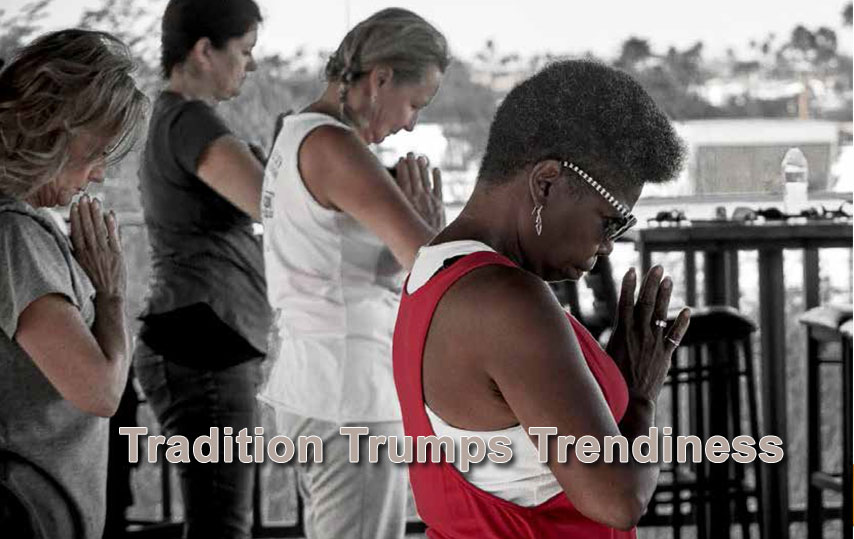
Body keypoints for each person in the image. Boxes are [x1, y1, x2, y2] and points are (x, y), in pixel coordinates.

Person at [393, 59, 692, 538]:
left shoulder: (432, 272)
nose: (608, 245)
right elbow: (618, 499)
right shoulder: (508, 300)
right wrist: (640, 397)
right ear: (546, 182)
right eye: (611, 220)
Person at [259, 8, 448, 538]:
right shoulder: (337, 147)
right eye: (414, 103)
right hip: (351, 393)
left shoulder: (295, 134)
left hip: (315, 385)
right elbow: (433, 272)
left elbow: (341, 261)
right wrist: (431, 228)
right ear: (380, 78)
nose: (410, 123)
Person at [0, 29, 146, 539]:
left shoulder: (24, 227)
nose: (100, 173)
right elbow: (99, 391)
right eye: (98, 150)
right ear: (55, 128)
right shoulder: (16, 235)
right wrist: (111, 294)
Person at [133, 0, 270, 537]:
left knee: (217, 521)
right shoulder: (190, 119)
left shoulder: (175, 119)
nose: (250, 65)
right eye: (244, 51)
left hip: (203, 339)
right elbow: (272, 204)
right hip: (203, 346)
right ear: (204, 51)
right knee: (221, 526)